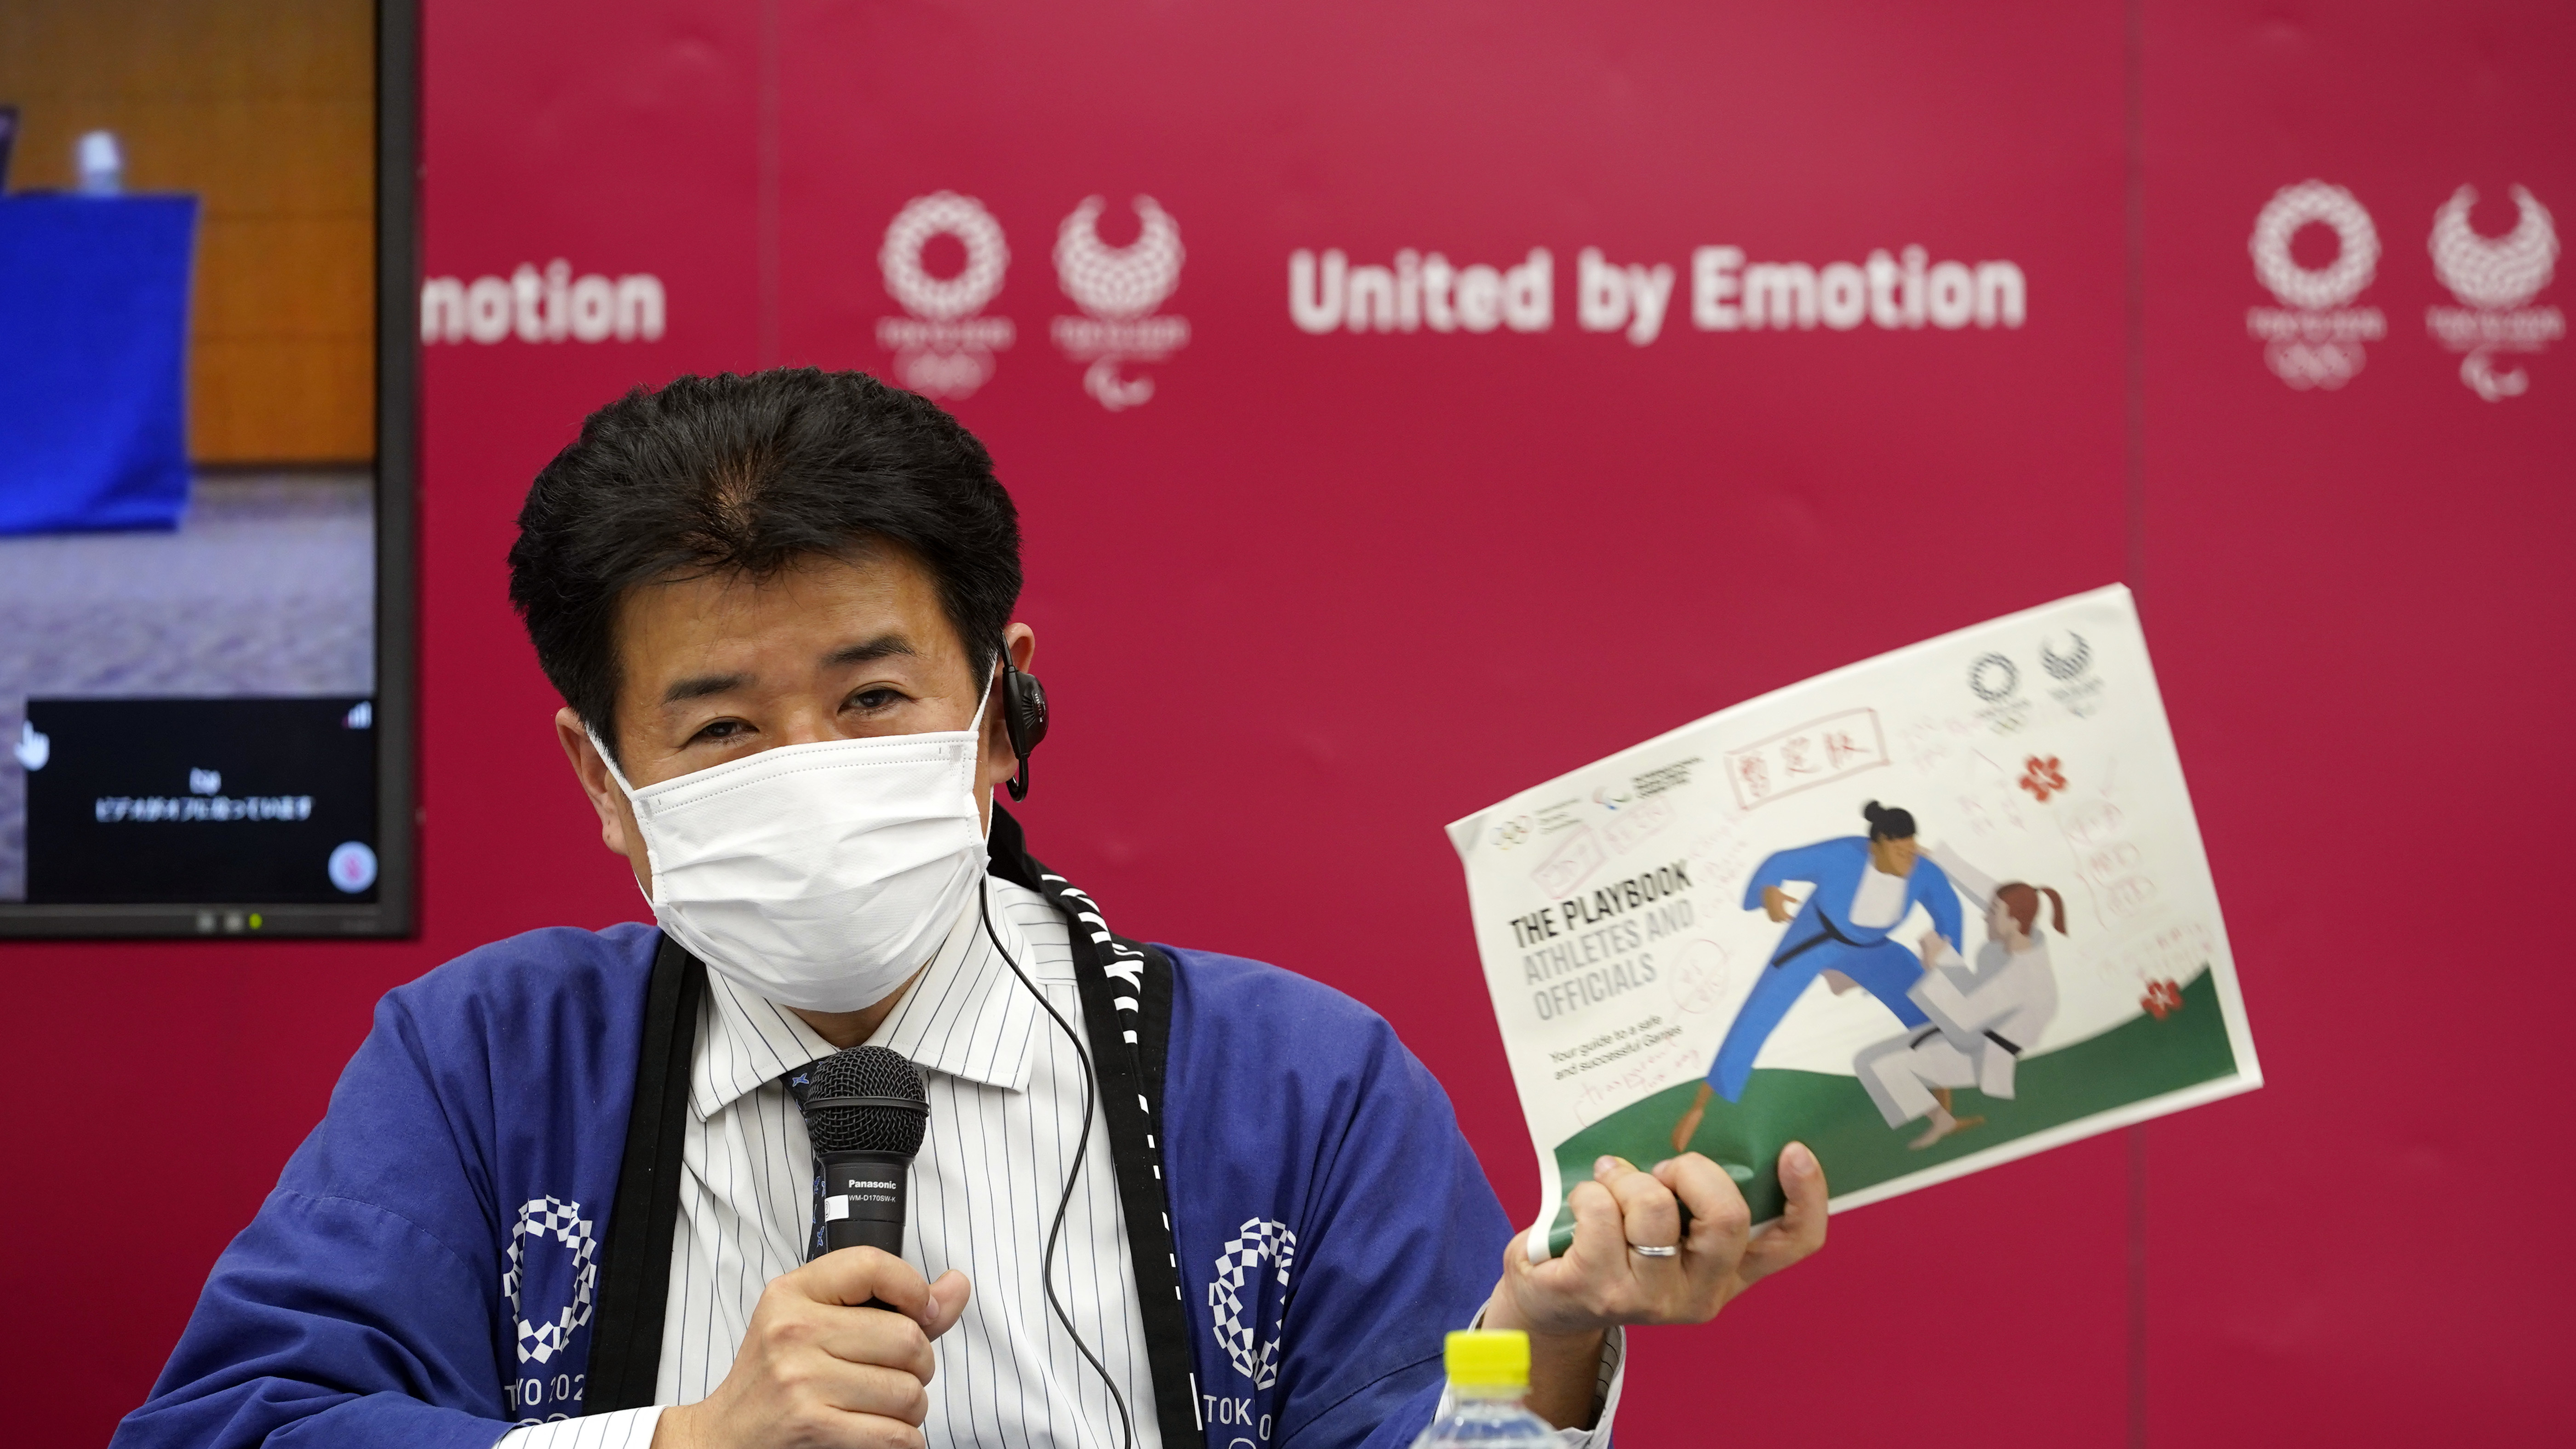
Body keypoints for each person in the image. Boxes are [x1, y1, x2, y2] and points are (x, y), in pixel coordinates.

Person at [113, 370, 1830, 1449]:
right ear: (601, 781)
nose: (807, 765)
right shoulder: (488, 1064)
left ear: (1002, 707)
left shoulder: (1300, 1083)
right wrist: (678, 1448)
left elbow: (1425, 1425)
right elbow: (232, 1426)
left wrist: (1546, 1337)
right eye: (718, 727)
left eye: (871, 701)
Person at [1669, 801, 1962, 1153]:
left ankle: (1944, 1115)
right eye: (1899, 852)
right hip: (1817, 936)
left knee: (1929, 1010)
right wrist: (1769, 893)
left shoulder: (1923, 872)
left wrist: (1946, 956)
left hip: (1873, 948)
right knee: (1759, 1013)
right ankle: (1699, 1108)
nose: (1908, 861)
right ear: (1877, 844)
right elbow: (1779, 863)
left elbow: (1949, 911)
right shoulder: (1842, 854)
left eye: (1912, 851)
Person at [1854, 844, 2065, 1149]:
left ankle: (1942, 1122)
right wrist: (1934, 856)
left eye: (1992, 913)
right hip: (1979, 1029)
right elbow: (1984, 889)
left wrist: (1934, 968)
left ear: (2015, 922)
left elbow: (1965, 1022)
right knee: (1866, 1060)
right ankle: (1943, 1120)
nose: (1985, 916)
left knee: (1883, 1067)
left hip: (1985, 1053)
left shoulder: (2022, 973)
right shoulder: (2020, 935)